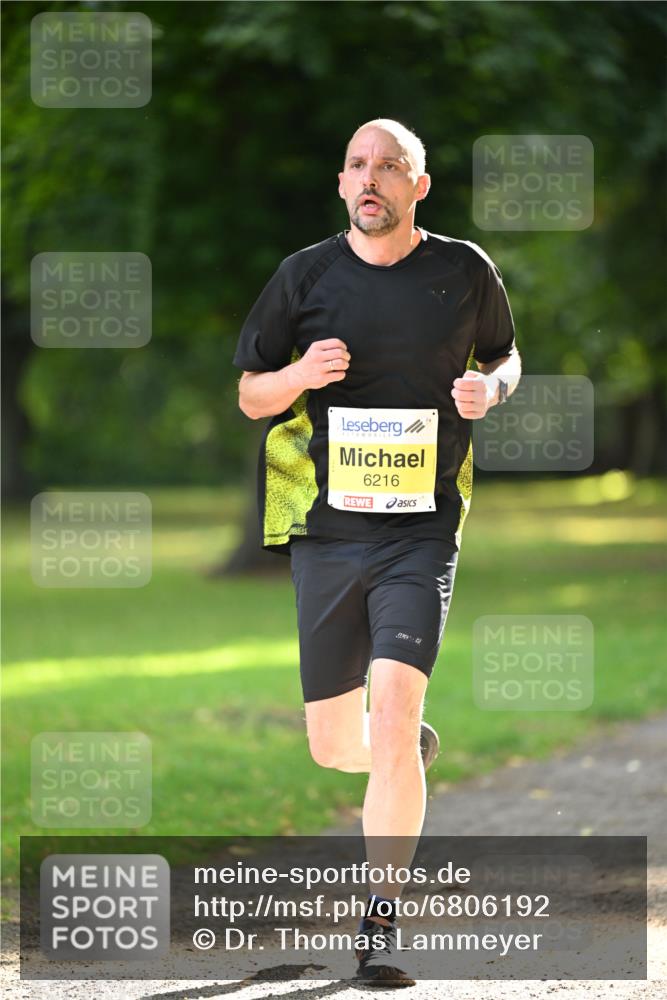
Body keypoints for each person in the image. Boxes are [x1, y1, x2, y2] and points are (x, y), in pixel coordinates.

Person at [233, 118, 521, 986]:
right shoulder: (304, 276)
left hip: (421, 528)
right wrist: (297, 378)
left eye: (390, 167)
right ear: (341, 183)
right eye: (359, 166)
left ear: (417, 187)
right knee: (334, 745)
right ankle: (399, 748)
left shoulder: (463, 270)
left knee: (390, 713)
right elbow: (251, 393)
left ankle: (379, 927)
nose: (373, 179)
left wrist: (489, 389)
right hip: (327, 531)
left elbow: (506, 358)